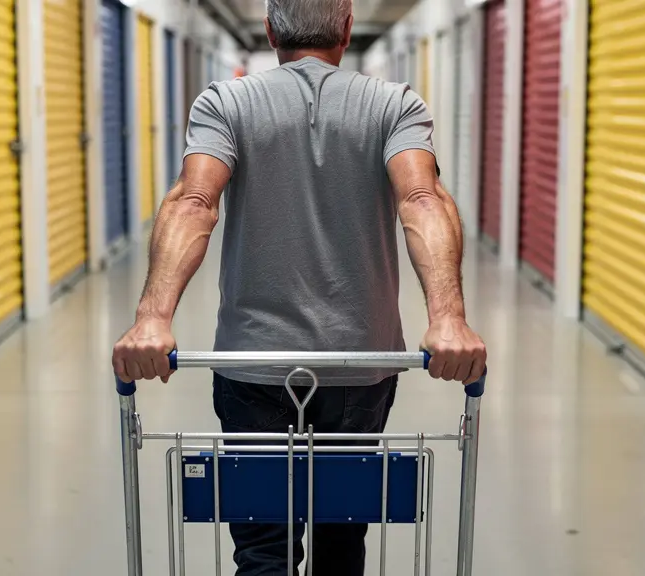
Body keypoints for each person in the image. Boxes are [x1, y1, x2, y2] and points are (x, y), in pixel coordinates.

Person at [112, 0, 486, 573]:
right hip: (360, 368)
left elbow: (194, 200)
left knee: (264, 551)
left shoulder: (225, 103)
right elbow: (421, 198)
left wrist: (153, 318)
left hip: (253, 370)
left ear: (269, 32)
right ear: (346, 29)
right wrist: (448, 316)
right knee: (342, 540)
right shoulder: (395, 105)